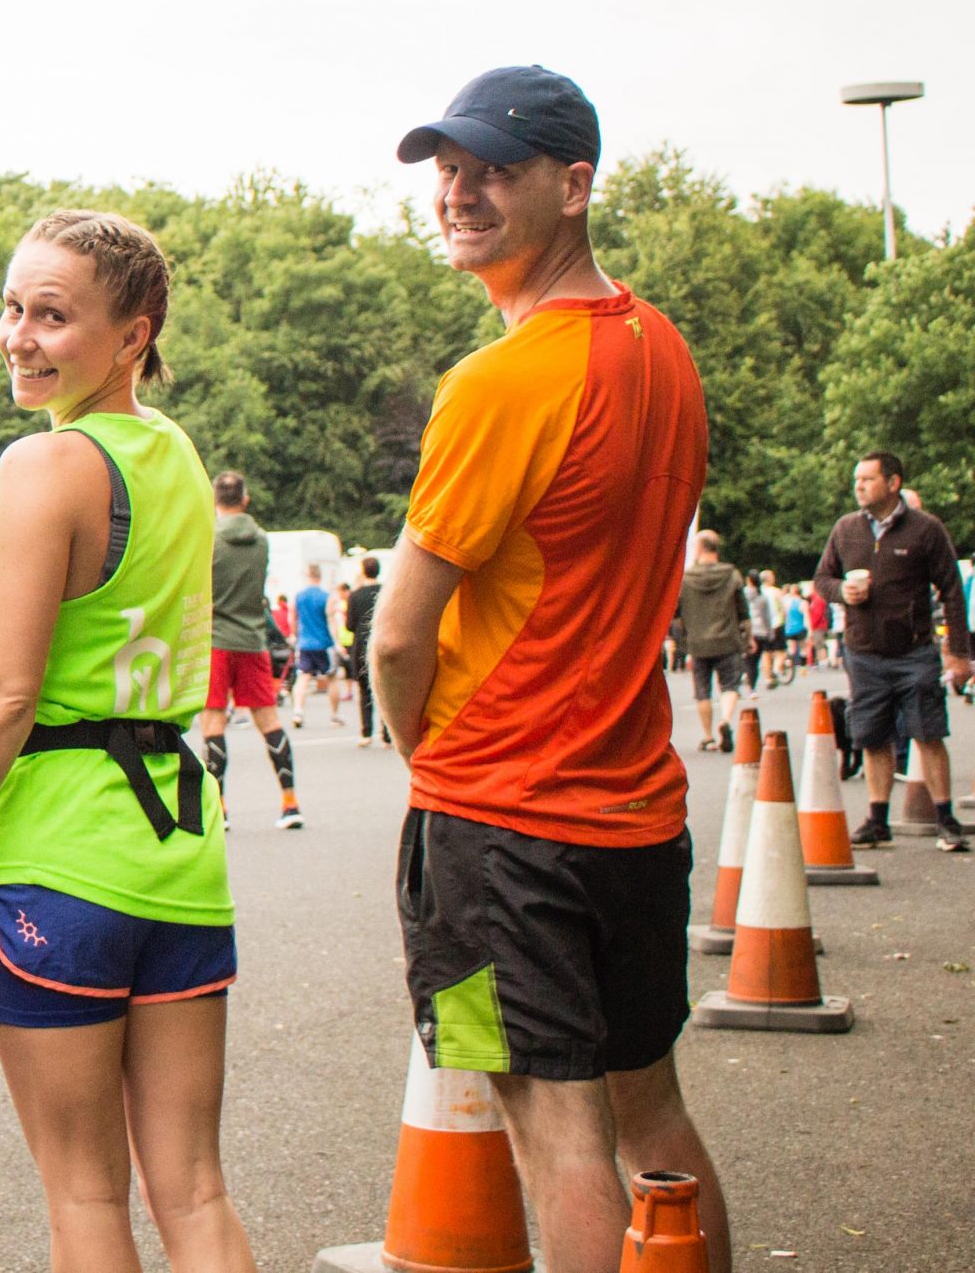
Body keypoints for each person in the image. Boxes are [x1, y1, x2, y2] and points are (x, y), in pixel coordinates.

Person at [376, 65, 728, 1273]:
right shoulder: (659, 347)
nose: (460, 193)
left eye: (495, 170)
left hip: (499, 824)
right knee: (652, 1118)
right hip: (632, 811)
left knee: (550, 1126)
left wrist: (428, 757)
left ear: (574, 186)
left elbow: (397, 632)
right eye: (448, 169)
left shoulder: (503, 379)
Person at [0, 210, 254, 1271]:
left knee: (85, 1199)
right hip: (177, 850)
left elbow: (3, 693)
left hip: (57, 851)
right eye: (13, 307)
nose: (18, 335)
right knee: (193, 1190)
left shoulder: (47, 466)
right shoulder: (174, 455)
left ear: (132, 334)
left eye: (52, 316)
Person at [818, 451, 972, 850]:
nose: (859, 487)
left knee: (928, 732)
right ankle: (877, 818)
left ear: (893, 482)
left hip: (914, 650)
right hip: (864, 651)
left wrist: (958, 652)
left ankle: (944, 818)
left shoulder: (925, 530)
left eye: (867, 479)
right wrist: (842, 592)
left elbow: (952, 590)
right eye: (856, 480)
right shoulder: (846, 528)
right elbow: (822, 579)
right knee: (871, 737)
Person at [199, 472, 305, 829]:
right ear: (245, 500)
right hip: (253, 640)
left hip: (215, 640)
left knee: (213, 722)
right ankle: (290, 803)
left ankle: (221, 807)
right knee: (269, 721)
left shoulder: (208, 539)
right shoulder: (261, 541)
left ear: (215, 500)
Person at [677, 531, 751, 753]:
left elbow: (676, 611)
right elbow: (743, 609)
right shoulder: (731, 574)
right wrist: (748, 636)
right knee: (730, 686)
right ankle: (726, 720)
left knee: (702, 690)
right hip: (728, 639)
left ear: (699, 548)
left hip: (698, 642)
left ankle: (708, 736)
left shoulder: (686, 578)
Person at [290, 563, 343, 727]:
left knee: (303, 677)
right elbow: (331, 620)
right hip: (324, 643)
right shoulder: (327, 596)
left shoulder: (298, 596)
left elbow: (293, 619)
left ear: (307, 576)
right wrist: (337, 642)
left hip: (305, 643)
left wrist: (296, 636)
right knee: (332, 678)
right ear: (320, 576)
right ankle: (334, 715)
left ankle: (298, 711)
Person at [347, 557, 386, 747]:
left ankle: (366, 732)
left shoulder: (355, 595)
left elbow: (350, 625)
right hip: (382, 640)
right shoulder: (385, 591)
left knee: (364, 690)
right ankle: (387, 734)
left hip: (362, 643)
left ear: (363, 571)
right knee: (385, 689)